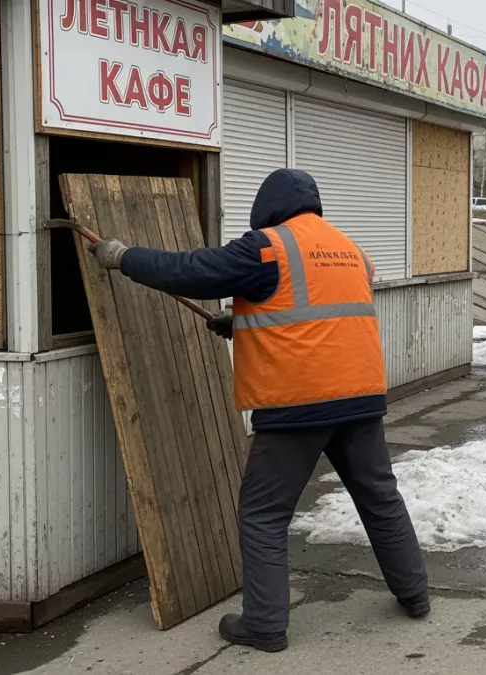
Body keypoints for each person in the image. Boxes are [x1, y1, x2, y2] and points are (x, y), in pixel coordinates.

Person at [87, 169, 429, 653]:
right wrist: (247, 322)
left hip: (298, 405)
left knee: (263, 513)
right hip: (360, 397)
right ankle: (415, 594)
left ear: (267, 207)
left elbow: (189, 272)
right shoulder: (350, 250)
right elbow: (315, 311)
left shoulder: (267, 247)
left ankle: (265, 625)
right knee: (380, 497)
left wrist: (123, 258)